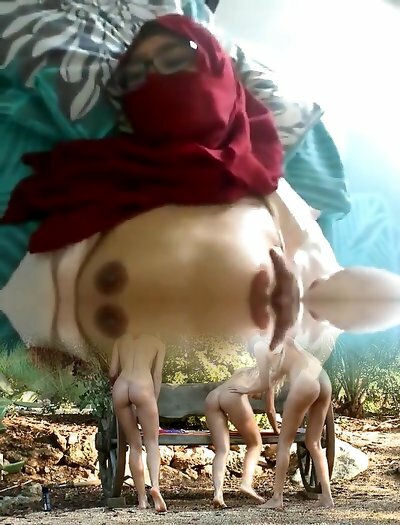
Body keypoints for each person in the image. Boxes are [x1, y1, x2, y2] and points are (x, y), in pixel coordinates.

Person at [229, 337, 334, 510]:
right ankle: (326, 497)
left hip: (305, 382)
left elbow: (264, 384)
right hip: (323, 378)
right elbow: (274, 377)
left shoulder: (260, 346)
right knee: (314, 443)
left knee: (284, 442)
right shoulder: (286, 342)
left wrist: (246, 389)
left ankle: (277, 498)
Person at [204, 341, 280, 508]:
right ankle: (246, 484)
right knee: (255, 443)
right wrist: (276, 430)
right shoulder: (269, 376)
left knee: (222, 449)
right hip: (233, 397)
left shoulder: (242, 371)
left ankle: (218, 494)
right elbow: (270, 410)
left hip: (213, 396)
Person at [110, 333, 167, 512]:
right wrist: (153, 400)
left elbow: (112, 372)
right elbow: (157, 375)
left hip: (121, 387)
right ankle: (155, 487)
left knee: (134, 445)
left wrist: (115, 386)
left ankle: (142, 499)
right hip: (142, 387)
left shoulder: (119, 340)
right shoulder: (157, 343)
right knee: (151, 442)